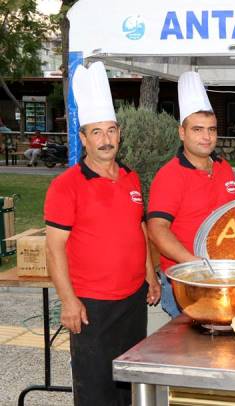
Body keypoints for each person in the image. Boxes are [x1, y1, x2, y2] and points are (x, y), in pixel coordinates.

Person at [44, 62, 160, 406]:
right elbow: (54, 249)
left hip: (133, 300)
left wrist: (150, 275)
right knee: (96, 388)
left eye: (111, 131)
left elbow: (138, 227)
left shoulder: (131, 177)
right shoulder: (66, 186)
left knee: (129, 384)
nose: (106, 140)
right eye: (97, 132)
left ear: (119, 134)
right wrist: (68, 300)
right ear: (84, 138)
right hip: (92, 304)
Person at [147, 71, 235, 318]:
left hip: (222, 275)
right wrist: (193, 263)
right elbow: (157, 229)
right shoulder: (170, 175)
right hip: (186, 282)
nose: (206, 137)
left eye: (211, 129)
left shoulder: (223, 167)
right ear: (182, 132)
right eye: (198, 129)